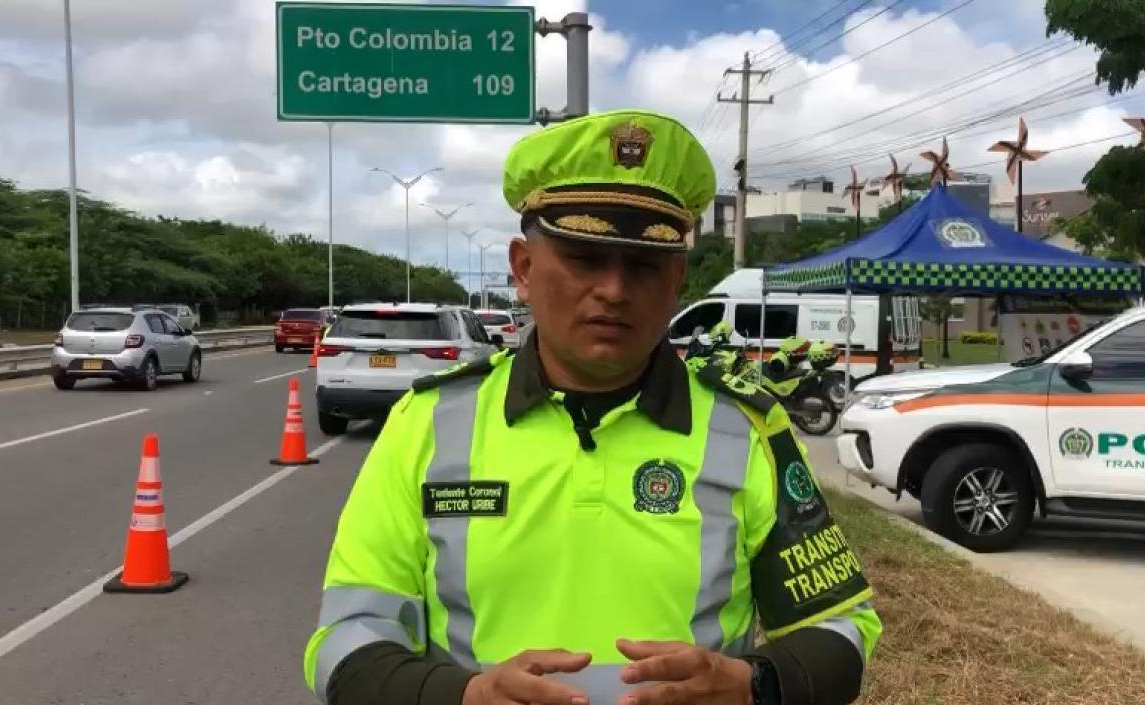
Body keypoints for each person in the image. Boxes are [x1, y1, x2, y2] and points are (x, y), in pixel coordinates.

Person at [303, 109, 882, 705]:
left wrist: (754, 686)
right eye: (584, 256)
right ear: (523, 269)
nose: (614, 289)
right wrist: (463, 696)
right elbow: (346, 638)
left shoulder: (747, 428)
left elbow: (839, 627)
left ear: (677, 279)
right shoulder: (426, 423)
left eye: (644, 264)